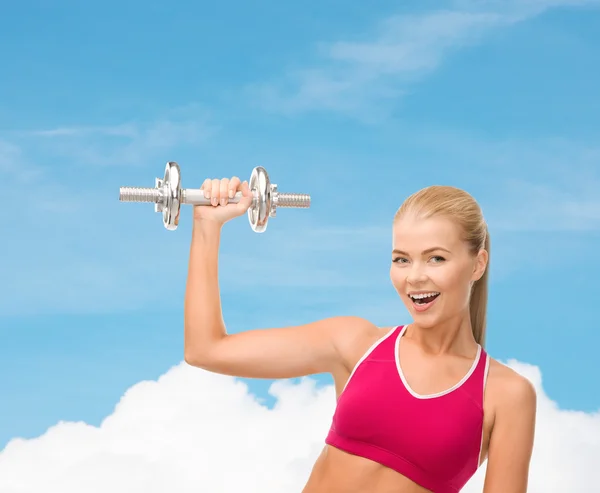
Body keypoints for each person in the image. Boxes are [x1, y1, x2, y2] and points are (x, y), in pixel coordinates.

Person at [184, 176, 537, 493]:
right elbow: (206, 349)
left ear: (478, 263)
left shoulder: (506, 395)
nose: (414, 277)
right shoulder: (355, 343)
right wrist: (206, 225)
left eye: (436, 259)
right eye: (401, 259)